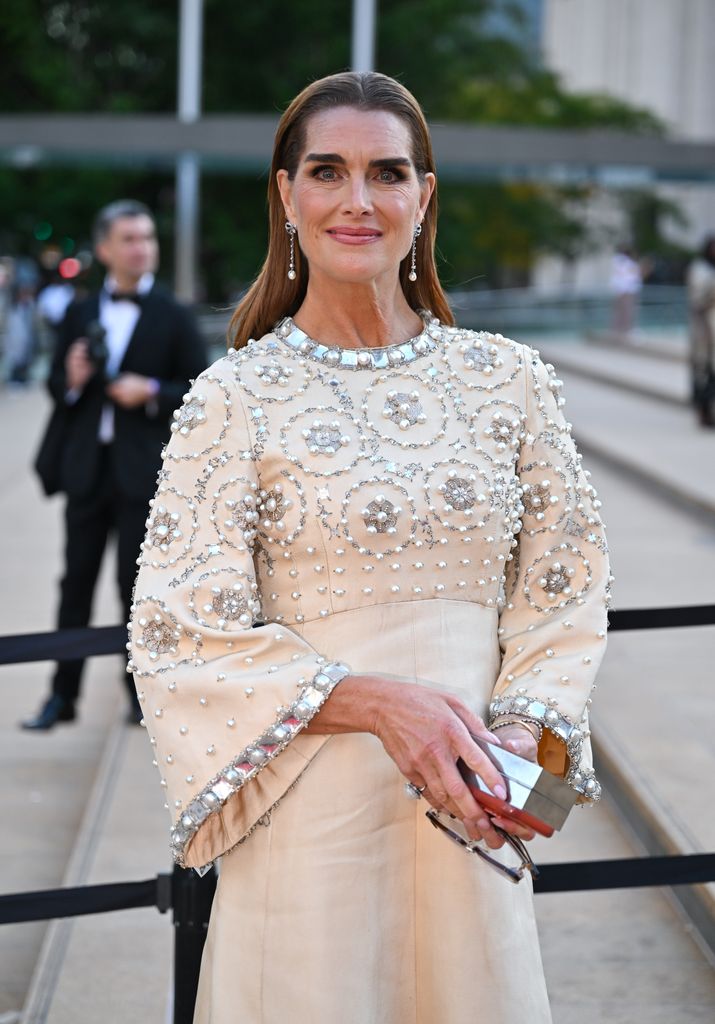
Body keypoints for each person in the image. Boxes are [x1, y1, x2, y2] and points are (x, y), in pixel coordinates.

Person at [129, 73, 611, 1023]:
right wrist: (380, 706)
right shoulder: (234, 398)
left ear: (423, 197)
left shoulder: (507, 381)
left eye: (387, 173)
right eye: (327, 172)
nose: (358, 201)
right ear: (286, 196)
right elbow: (178, 631)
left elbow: (565, 588)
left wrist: (519, 733)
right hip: (310, 821)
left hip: (468, 813)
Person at [23, 200, 207, 730]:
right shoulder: (79, 313)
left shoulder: (173, 314)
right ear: (104, 249)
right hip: (87, 469)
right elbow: (56, 388)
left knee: (138, 591)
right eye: (129, 239)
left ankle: (141, 699)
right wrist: (74, 377)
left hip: (142, 474)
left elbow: (198, 392)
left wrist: (149, 391)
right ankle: (61, 697)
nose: (142, 247)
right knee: (73, 585)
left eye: (147, 237)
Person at [686, 235, 715, 428]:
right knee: (703, 373)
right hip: (704, 331)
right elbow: (698, 298)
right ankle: (703, 412)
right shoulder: (699, 269)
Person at [610, 244, 642, 337]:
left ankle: (620, 330)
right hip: (626, 290)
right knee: (626, 311)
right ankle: (625, 330)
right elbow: (629, 277)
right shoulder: (624, 263)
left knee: (622, 311)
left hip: (623, 289)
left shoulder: (621, 262)